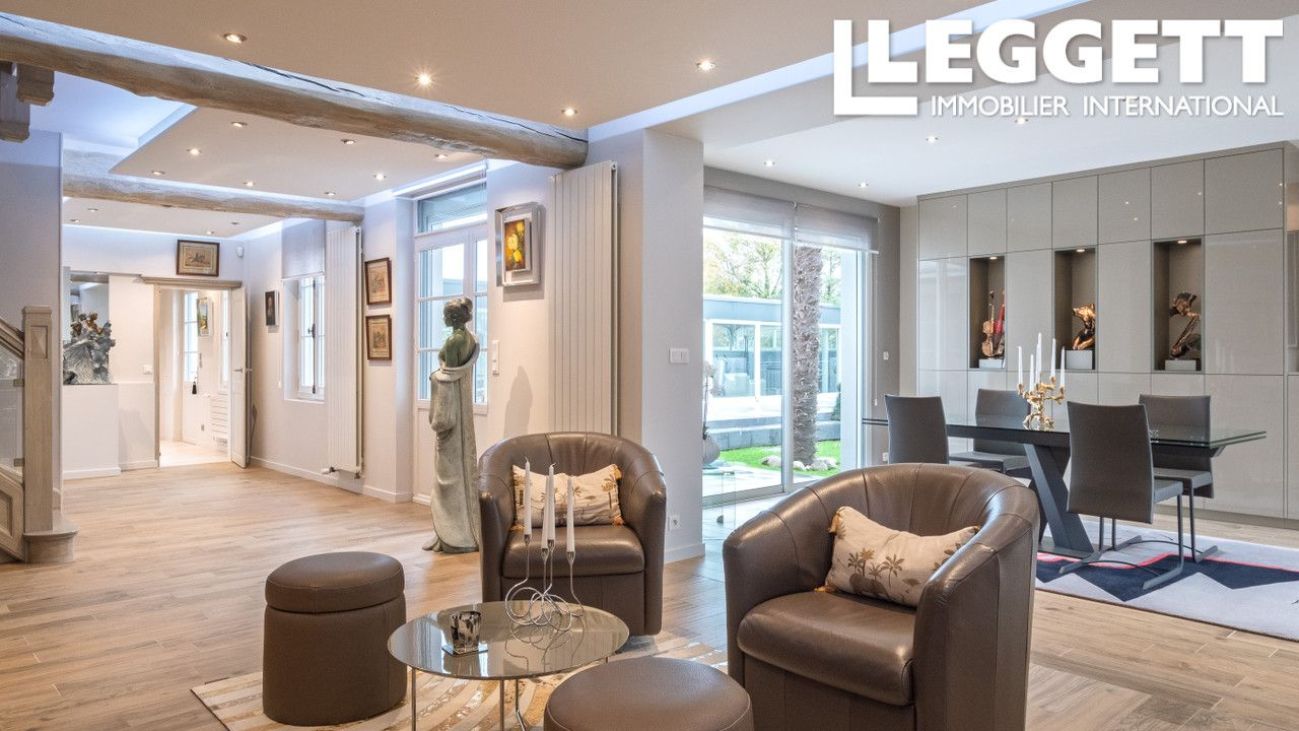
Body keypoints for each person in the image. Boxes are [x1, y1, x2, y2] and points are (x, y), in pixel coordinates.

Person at [425, 297, 481, 553]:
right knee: (457, 467)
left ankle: (453, 534)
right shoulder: (470, 338)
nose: (443, 318)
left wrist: (435, 376)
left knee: (448, 470)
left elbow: (446, 375)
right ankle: (457, 532)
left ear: (455, 317)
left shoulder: (454, 341)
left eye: (446, 315)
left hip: (451, 409)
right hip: (462, 406)